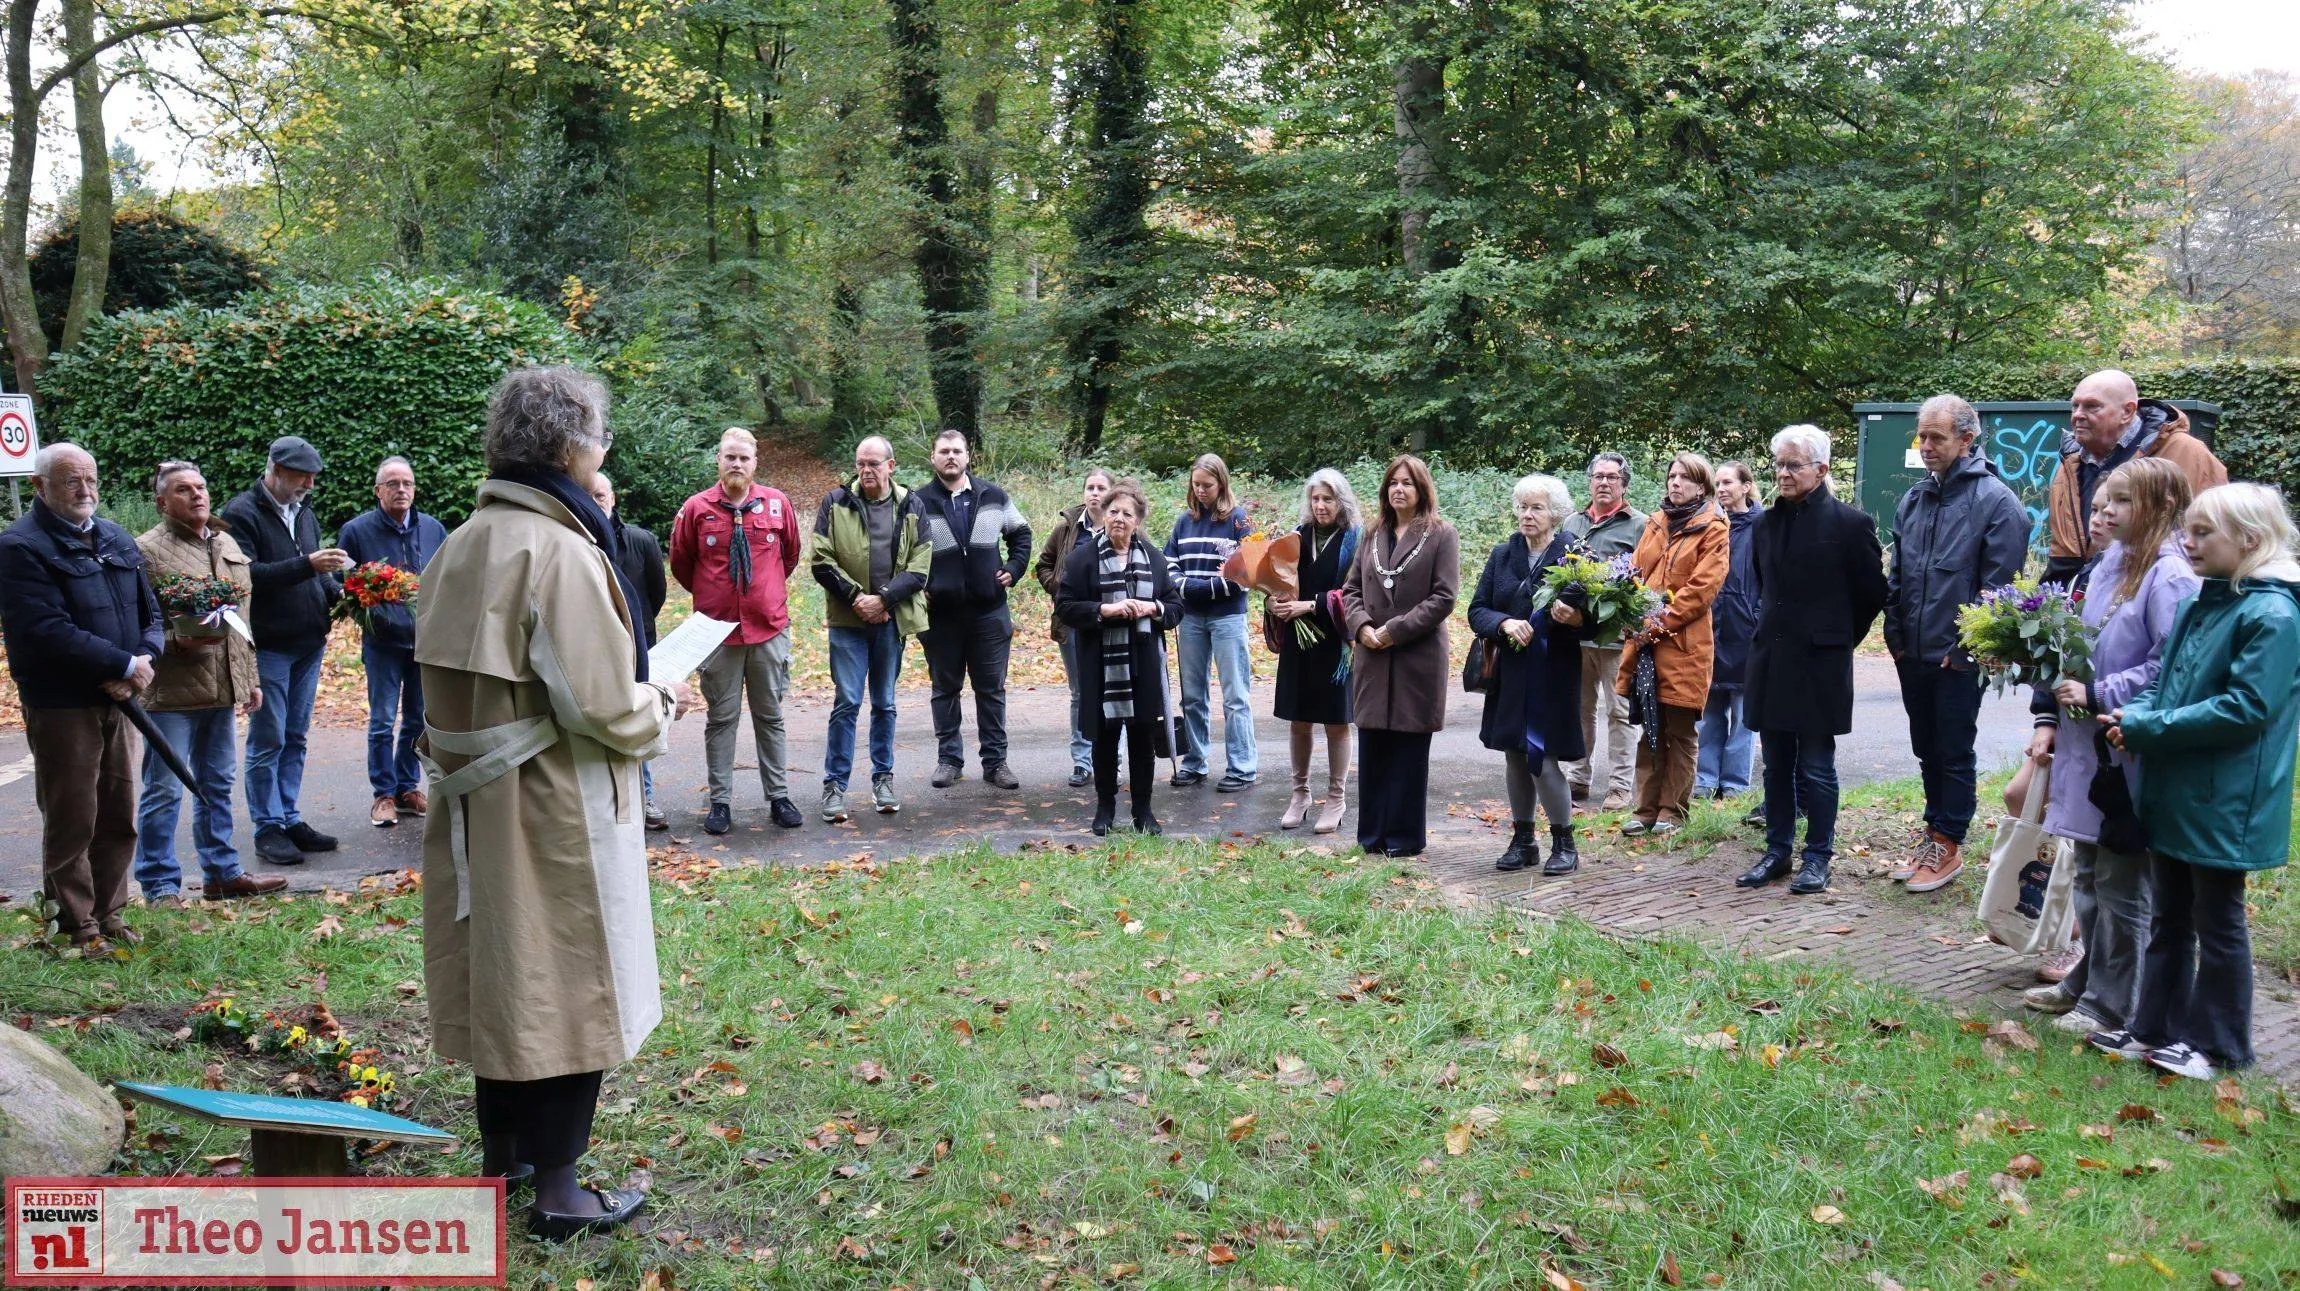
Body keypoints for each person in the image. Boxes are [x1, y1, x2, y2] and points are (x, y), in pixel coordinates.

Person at [415, 365, 697, 1236]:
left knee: (505, 979)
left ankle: (501, 1162)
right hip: (550, 808)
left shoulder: (462, 541)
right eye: (599, 438)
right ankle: (561, 1191)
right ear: (574, 446)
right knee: (567, 985)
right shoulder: (560, 551)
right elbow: (606, 704)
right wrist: (664, 700)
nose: (601, 452)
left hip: (480, 806)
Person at [2098, 483, 2300, 1080]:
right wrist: (2138, 715)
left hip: (2227, 794)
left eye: (2204, 532)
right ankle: (2153, 1027)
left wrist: (2152, 726)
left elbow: (2247, 708)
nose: (2188, 541)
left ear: (2251, 540)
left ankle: (2220, 1046)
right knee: (2169, 912)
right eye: (2189, 529)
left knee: (2218, 920)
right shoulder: (2203, 600)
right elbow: (2168, 677)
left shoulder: (2272, 613)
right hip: (2179, 783)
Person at [2017, 459, 2197, 1040]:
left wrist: (2100, 691)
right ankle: (2090, 981)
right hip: (2085, 745)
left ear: (2160, 507)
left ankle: (2116, 1004)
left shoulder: (2169, 577)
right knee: (2090, 875)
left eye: (2121, 501)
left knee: (2123, 884)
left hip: (2126, 747)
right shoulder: (2109, 564)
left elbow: (2173, 665)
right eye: (2103, 500)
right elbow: (2083, 640)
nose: (2105, 512)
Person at [0, 444, 163, 952]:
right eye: (71, 481)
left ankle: (111, 914)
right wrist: (121, 664)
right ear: (40, 487)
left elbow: (150, 612)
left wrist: (141, 663)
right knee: (73, 815)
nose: (85, 491)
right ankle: (76, 924)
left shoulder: (114, 536)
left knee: (119, 811)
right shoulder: (19, 547)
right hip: (62, 702)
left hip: (122, 697)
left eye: (91, 479)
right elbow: (45, 629)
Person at [1883, 395, 2030, 893]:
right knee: (1926, 747)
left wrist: (1966, 651)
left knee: (1952, 748)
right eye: (1921, 436)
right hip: (1914, 651)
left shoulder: (1996, 503)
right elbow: (1898, 575)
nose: (1925, 446)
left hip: (1956, 656)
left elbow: (2000, 592)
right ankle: (1932, 831)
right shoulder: (1916, 498)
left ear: (1967, 440)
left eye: (1936, 437)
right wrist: (1895, 634)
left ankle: (1948, 842)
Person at [1736, 426, 1889, 895]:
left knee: (1817, 766)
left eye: (1794, 465)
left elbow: (1871, 595)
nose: (1783, 473)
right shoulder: (1764, 523)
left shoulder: (1850, 524)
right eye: (1779, 464)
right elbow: (1764, 584)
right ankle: (1777, 850)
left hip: (1821, 662)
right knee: (1776, 764)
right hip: (1772, 658)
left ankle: (1818, 856)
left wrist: (1837, 640)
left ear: (1821, 470)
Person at [133, 461, 284, 904]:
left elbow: (241, 619)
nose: (197, 495)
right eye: (183, 490)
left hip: (221, 689)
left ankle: (222, 873)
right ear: (163, 502)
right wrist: (175, 639)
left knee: (217, 782)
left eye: (200, 486)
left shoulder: (227, 541)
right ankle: (159, 883)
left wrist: (248, 677)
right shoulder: (145, 551)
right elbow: (134, 624)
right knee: (164, 787)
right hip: (171, 693)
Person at [221, 437, 351, 866]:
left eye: (312, 478)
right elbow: (245, 578)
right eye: (300, 477)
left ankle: (289, 816)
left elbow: (314, 577)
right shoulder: (241, 513)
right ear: (274, 470)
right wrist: (308, 565)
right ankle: (267, 827)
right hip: (271, 646)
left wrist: (343, 594)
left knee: (295, 736)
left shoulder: (303, 512)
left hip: (308, 642)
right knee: (268, 739)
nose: (309, 485)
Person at [670, 427, 804, 835]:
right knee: (721, 718)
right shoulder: (696, 508)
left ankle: (779, 797)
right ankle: (721, 802)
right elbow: (682, 564)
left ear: (755, 464)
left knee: (771, 716)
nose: (736, 464)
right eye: (730, 457)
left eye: (744, 458)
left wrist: (763, 596)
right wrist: (717, 600)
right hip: (717, 635)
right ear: (719, 461)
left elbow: (791, 555)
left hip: (767, 630)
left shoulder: (777, 504)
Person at [1468, 473, 1589, 875]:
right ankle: (1523, 841)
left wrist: (1574, 617)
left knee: (1543, 758)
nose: (1527, 515)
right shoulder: (1504, 554)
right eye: (1522, 507)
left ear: (1554, 513)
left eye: (1536, 507)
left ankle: (1565, 844)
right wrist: (1503, 623)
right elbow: (1477, 610)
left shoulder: (1574, 554)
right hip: (1509, 672)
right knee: (1514, 757)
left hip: (1552, 674)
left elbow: (1596, 619)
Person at [1344, 455, 1460, 858]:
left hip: (1416, 656)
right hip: (1372, 655)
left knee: (1409, 751)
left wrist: (1394, 631)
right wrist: (1360, 627)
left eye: (1407, 483)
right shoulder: (1372, 533)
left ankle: (1404, 838)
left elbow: (1444, 597)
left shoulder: (1441, 535)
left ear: (1422, 489)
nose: (1399, 489)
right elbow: (1352, 589)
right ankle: (1372, 836)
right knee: (1374, 745)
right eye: (1393, 482)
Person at [811, 435, 932, 822]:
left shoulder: (912, 505)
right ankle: (835, 787)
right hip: (848, 621)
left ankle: (883, 780)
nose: (866, 471)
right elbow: (820, 560)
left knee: (885, 703)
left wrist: (883, 601)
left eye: (874, 464)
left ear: (891, 466)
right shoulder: (836, 502)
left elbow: (920, 566)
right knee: (847, 701)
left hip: (890, 620)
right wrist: (856, 598)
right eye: (861, 463)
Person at [1055, 480, 1182, 836]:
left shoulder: (1154, 559)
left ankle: (1143, 810)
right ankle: (1105, 808)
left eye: (1127, 513)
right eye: (1113, 512)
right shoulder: (1082, 559)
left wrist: (1151, 607)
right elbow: (1065, 607)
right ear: (1103, 515)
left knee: (1142, 737)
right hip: (1100, 665)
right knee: (1105, 739)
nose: (1119, 519)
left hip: (1142, 664)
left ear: (1138, 520)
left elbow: (1175, 608)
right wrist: (1104, 610)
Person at [1617, 452, 1729, 838]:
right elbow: (1635, 572)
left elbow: (1701, 590)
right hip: (1645, 641)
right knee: (1650, 724)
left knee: (1679, 729)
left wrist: (1657, 623)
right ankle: (1645, 808)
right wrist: (1627, 612)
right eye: (1672, 475)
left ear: (1702, 485)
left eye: (1685, 477)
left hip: (1684, 645)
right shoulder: (1657, 521)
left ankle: (1673, 810)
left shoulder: (1714, 526)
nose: (1675, 482)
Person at [915, 429, 1033, 790]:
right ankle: (949, 761)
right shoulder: (917, 501)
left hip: (988, 614)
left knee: (991, 690)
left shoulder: (993, 496)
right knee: (944, 689)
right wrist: (919, 588)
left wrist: (1013, 570)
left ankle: (996, 763)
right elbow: (900, 552)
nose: (951, 457)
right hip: (941, 617)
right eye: (943, 451)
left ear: (968, 457)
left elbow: (1021, 533)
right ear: (933, 458)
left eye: (957, 451)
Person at [337, 456, 448, 830]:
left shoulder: (432, 529)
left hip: (425, 643)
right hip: (383, 644)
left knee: (418, 721)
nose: (401, 490)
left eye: (407, 484)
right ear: (378, 490)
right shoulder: (356, 531)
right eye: (393, 483)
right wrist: (380, 621)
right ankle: (382, 794)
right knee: (383, 720)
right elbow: (346, 589)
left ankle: (406, 788)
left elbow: (447, 580)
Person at [2044, 369, 2226, 590]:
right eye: (2075, 406)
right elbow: (2064, 553)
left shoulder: (2186, 454)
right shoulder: (2069, 465)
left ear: (2127, 411)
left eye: (2092, 406)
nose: (2078, 415)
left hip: (2158, 594)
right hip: (2089, 603)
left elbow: (2212, 543)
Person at [1267, 469, 1361, 833]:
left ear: (1342, 501)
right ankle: (1300, 794)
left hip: (1335, 641)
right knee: (1299, 718)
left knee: (1337, 722)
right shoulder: (1296, 537)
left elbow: (1354, 593)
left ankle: (1336, 798)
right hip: (1298, 640)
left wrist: (1309, 606)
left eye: (1328, 499)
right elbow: (1277, 582)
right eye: (1315, 499)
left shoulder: (1355, 539)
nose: (1320, 506)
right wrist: (1274, 603)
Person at [1165, 453, 1258, 791]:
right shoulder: (1183, 522)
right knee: (1192, 693)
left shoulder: (1238, 520)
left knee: (1235, 695)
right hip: (1190, 618)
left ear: (1221, 484)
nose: (1201, 491)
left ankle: (1242, 767)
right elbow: (1169, 562)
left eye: (1207, 485)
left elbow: (1249, 570)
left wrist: (1205, 588)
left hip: (1228, 618)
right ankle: (1194, 762)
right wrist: (1188, 587)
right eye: (1196, 485)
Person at [1561, 453, 1645, 811]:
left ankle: (1620, 786)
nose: (1604, 483)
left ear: (1624, 484)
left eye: (1612, 477)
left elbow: (1647, 578)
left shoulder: (1639, 525)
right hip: (1574, 636)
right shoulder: (1572, 522)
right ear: (1590, 481)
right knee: (1578, 709)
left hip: (1615, 637)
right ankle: (1577, 777)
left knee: (1620, 711)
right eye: (1598, 476)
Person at [591, 471, 670, 831]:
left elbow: (656, 595)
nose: (597, 502)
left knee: (639, 719)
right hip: (591, 650)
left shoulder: (641, 541)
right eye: (589, 496)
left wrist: (636, 631)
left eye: (602, 495)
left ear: (613, 498)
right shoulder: (575, 543)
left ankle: (645, 796)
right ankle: (607, 805)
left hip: (639, 649)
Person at [1036, 469, 1114, 788]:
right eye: (1089, 488)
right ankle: (1082, 762)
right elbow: (1043, 563)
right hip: (1072, 622)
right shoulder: (1068, 528)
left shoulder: (1120, 524)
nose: (1094, 493)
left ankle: (1110, 758)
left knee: (1111, 690)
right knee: (1081, 693)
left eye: (1101, 488)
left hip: (1111, 621)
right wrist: (1058, 587)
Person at [1695, 460, 1761, 800]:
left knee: (1743, 714)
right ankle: (1705, 781)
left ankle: (1734, 784)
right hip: (1709, 630)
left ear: (1746, 486)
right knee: (1707, 713)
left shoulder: (1762, 525)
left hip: (1745, 631)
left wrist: (1759, 616)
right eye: (1717, 484)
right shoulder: (1708, 523)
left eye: (1727, 483)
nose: (1721, 490)